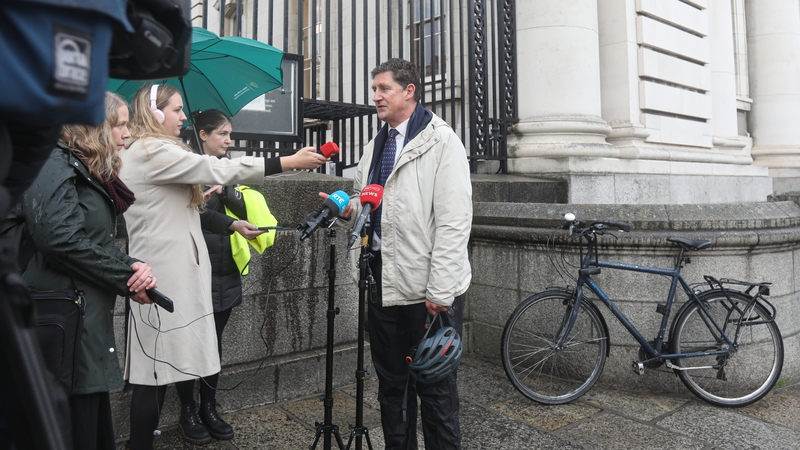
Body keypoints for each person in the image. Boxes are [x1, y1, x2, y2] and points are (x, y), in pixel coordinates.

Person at [120, 84, 327, 449]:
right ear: (154, 114)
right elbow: (214, 166)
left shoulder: (154, 152)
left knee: (159, 371)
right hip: (162, 279)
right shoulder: (151, 149)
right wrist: (289, 161)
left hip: (171, 275)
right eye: (177, 110)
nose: (184, 117)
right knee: (151, 376)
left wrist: (214, 202)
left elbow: (187, 198)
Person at [2, 92, 157, 450]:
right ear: (92, 128)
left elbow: (90, 243)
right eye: (119, 125)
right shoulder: (52, 161)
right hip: (57, 326)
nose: (127, 133)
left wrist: (131, 267)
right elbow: (59, 239)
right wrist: (125, 277)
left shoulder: (79, 167)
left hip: (76, 325)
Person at [340, 58, 472, 450]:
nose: (375, 96)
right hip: (381, 282)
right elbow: (369, 202)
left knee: (436, 392)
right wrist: (349, 208)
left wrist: (441, 289)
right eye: (374, 89)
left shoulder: (442, 141)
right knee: (392, 390)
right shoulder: (375, 144)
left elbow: (454, 221)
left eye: (384, 89)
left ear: (409, 90)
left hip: (427, 293)